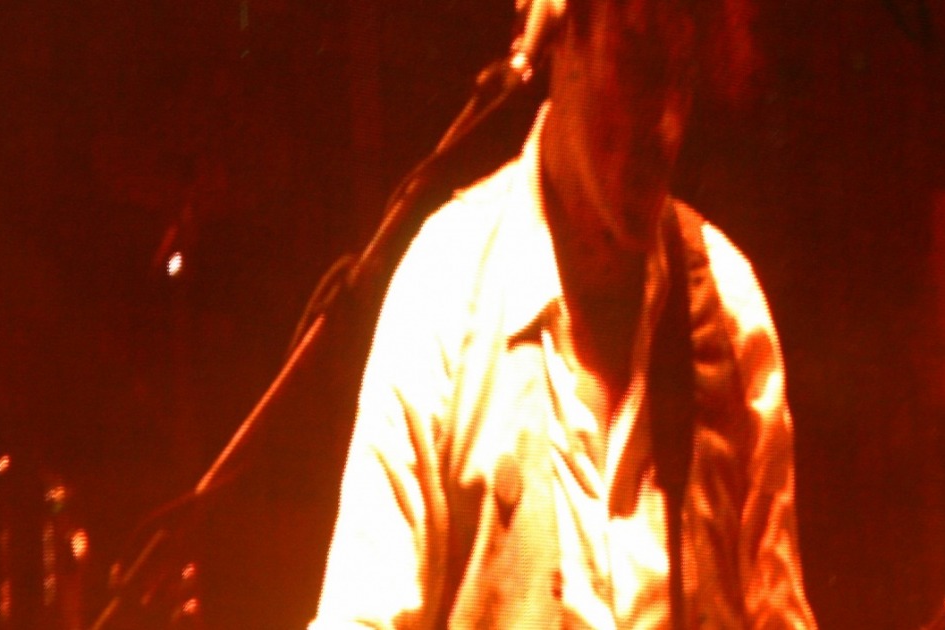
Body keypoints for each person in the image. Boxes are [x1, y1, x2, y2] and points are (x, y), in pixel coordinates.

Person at [309, 0, 816, 626]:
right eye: (637, 64)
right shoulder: (444, 290)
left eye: (681, 78)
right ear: (559, 33)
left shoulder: (731, 314)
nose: (666, 127)